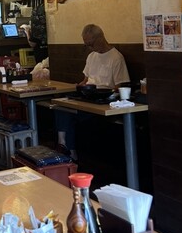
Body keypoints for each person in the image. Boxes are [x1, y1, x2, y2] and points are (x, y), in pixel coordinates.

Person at [55, 24, 130, 160]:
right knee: (62, 106)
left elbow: (119, 86)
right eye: (86, 45)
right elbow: (85, 80)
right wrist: (79, 86)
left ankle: (68, 150)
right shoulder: (91, 56)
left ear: (101, 38)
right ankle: (64, 146)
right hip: (88, 97)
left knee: (68, 113)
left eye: (91, 44)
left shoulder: (116, 57)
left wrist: (101, 92)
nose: (89, 47)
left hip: (105, 100)